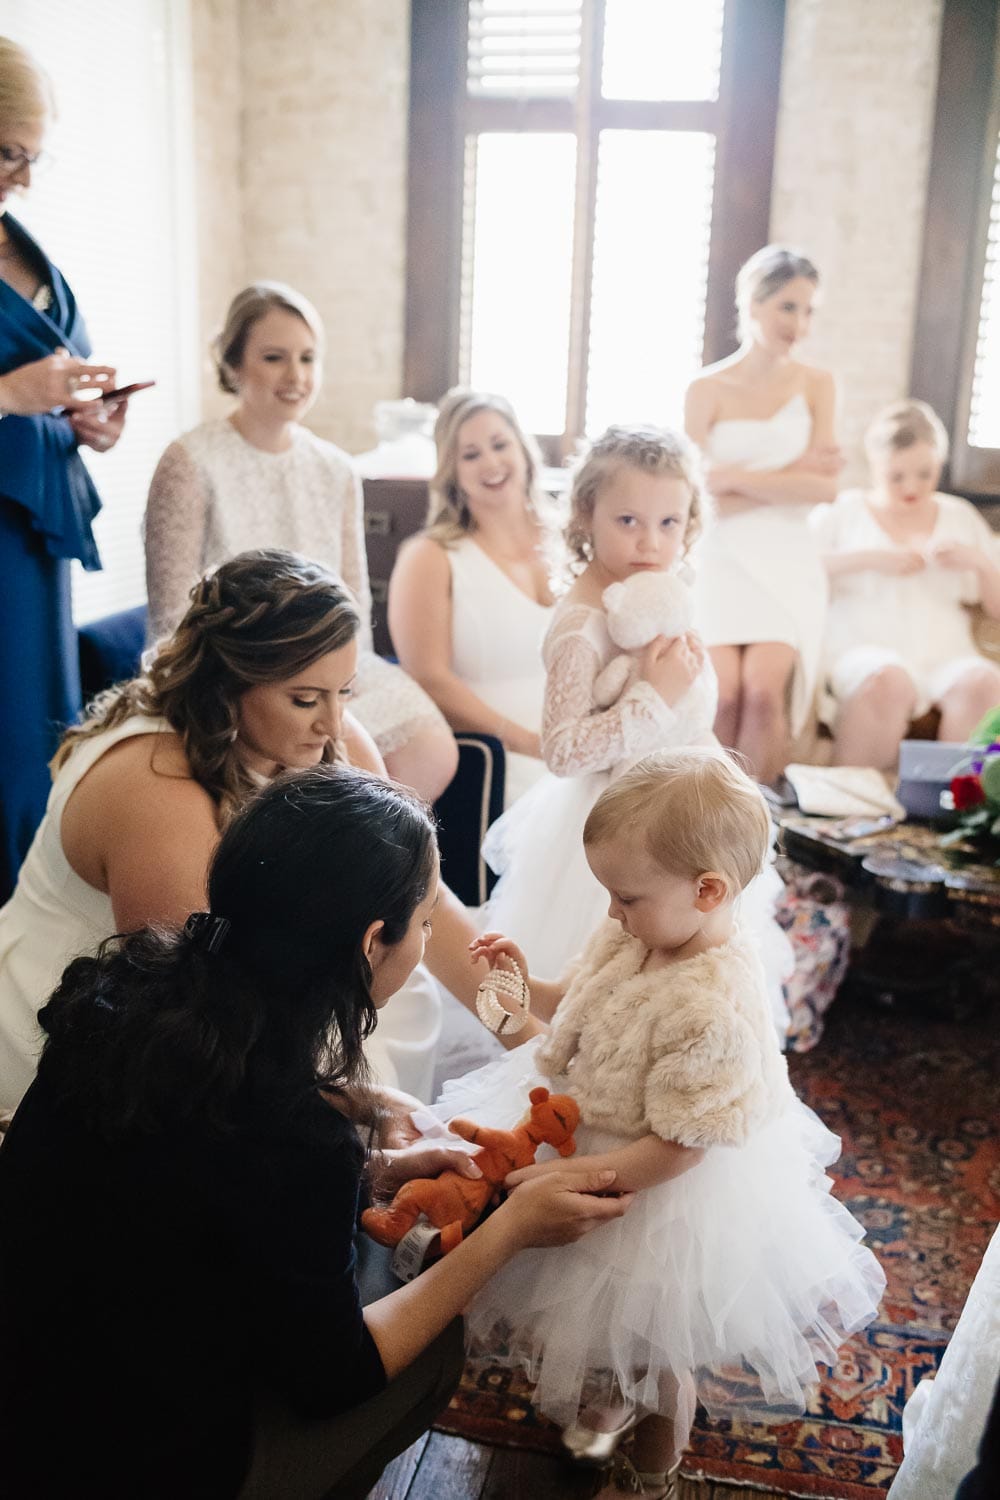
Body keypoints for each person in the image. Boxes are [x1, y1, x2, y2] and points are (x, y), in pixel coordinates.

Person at [0, 763, 631, 1500]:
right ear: (372, 942)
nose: (429, 938)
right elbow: (337, 1375)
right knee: (432, 1338)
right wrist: (509, 1230)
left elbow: (199, 1162)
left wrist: (360, 1108)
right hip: (120, 1462)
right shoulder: (295, 1145)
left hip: (26, 1379)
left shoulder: (120, 988)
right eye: (426, 921)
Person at [431, 750, 885, 1500]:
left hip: (655, 1184)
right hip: (596, 1121)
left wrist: (575, 1177)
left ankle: (653, 1469)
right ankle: (612, 1391)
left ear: (708, 890)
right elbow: (570, 999)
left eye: (627, 896)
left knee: (657, 1341)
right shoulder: (637, 931)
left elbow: (680, 1148)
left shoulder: (713, 1009)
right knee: (603, 1328)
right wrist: (518, 980)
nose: (611, 912)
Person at [0, 550, 490, 1111]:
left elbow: (411, 891)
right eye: (305, 698)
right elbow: (194, 1011)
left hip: (278, 992)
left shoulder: (324, 734)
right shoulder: (151, 788)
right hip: (112, 1032)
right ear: (227, 685)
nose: (334, 723)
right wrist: (353, 1108)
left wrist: (519, 1015)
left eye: (345, 692)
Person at [479, 424, 791, 1035]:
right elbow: (564, 751)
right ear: (586, 515)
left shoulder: (660, 591)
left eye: (669, 523)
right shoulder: (581, 625)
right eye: (628, 521)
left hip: (690, 811)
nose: (651, 541)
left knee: (694, 989)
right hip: (619, 826)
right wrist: (653, 696)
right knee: (612, 994)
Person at [144, 280, 457, 803]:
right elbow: (169, 618)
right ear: (234, 364)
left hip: (330, 669)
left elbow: (354, 601)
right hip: (239, 676)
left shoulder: (335, 467)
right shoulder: (189, 462)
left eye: (308, 358)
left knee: (431, 749)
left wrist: (345, 685)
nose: (296, 376)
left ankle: (361, 873)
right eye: (274, 357)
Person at [0, 37, 130, 899]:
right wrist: (13, 393)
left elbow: (47, 383)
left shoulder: (22, 240)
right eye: (10, 152)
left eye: (33, 156)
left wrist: (87, 424)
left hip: (36, 545)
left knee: (39, 747)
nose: (24, 177)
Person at [684, 244, 842, 783]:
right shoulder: (705, 389)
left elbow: (824, 489)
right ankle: (706, 820)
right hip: (721, 553)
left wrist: (731, 477)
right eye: (788, 307)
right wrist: (788, 475)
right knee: (722, 693)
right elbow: (691, 496)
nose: (799, 324)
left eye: (808, 310)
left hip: (787, 557)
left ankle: (754, 834)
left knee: (762, 690)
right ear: (753, 304)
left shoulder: (818, 385)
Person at [388, 388, 558, 805]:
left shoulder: (571, 536)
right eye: (470, 454)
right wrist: (528, 743)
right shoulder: (430, 557)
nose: (491, 463)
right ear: (451, 471)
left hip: (583, 741)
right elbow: (429, 678)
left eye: (500, 444)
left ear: (523, 448)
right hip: (501, 758)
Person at [809, 400, 1000, 768]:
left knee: (982, 682)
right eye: (897, 477)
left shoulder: (959, 516)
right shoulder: (843, 511)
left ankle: (949, 803)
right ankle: (854, 801)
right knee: (887, 680)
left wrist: (978, 564)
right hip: (863, 643)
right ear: (875, 467)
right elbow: (801, 571)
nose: (912, 487)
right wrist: (872, 559)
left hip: (945, 650)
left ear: (939, 464)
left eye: (925, 474)